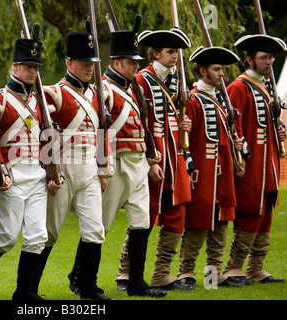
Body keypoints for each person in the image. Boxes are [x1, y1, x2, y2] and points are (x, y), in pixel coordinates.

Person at [0, 25, 61, 301]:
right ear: (14, 67)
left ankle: (24, 292)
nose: (32, 71)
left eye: (35, 66)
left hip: (38, 176)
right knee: (8, 236)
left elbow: (47, 140)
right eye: (27, 66)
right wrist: (0, 172)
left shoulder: (41, 102)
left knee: (37, 236)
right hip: (12, 176)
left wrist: (54, 170)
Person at [32, 25, 115, 301]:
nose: (89, 68)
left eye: (92, 62)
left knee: (95, 230)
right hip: (64, 168)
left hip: (90, 168)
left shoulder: (99, 93)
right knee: (50, 234)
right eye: (83, 63)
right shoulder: (54, 93)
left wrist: (103, 169)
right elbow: (42, 132)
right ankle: (28, 290)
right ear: (69, 62)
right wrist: (49, 170)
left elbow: (103, 133)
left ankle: (88, 289)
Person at [115, 28, 193, 291]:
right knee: (144, 216)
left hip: (176, 157)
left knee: (176, 215)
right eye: (171, 52)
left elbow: (175, 119)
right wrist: (151, 159)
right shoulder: (141, 80)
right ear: (156, 53)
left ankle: (162, 274)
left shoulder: (176, 80)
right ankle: (125, 273)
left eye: (176, 53)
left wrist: (184, 125)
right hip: (154, 156)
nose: (175, 57)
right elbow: (141, 123)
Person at [99, 21, 166, 298]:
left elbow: (145, 127)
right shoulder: (103, 89)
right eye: (130, 61)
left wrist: (151, 160)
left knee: (142, 222)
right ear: (116, 62)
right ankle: (80, 277)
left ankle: (136, 282)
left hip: (139, 162)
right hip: (117, 163)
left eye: (137, 61)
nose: (136, 66)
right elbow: (99, 129)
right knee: (98, 226)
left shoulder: (132, 88)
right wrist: (103, 164)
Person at [176, 46, 243, 289]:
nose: (222, 74)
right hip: (202, 173)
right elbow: (185, 140)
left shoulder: (220, 100)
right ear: (202, 71)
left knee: (221, 221)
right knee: (198, 221)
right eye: (216, 69)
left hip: (223, 173)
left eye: (222, 69)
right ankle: (186, 273)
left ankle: (213, 275)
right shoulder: (192, 99)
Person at [223, 34, 286, 285]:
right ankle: (234, 268)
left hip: (268, 163)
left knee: (265, 211)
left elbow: (270, 122)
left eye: (271, 57)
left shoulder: (267, 86)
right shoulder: (239, 87)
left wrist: (280, 128)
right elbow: (233, 128)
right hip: (251, 164)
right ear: (249, 60)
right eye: (264, 57)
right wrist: (240, 160)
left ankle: (256, 268)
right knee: (250, 211)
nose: (269, 62)